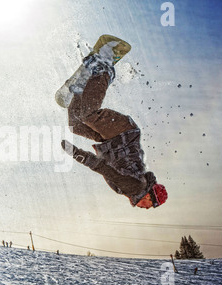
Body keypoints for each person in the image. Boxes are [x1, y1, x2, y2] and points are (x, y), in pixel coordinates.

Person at [61, 46, 167, 209]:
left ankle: (79, 90)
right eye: (150, 205)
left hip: (111, 140)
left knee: (76, 126)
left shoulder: (134, 187)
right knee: (88, 115)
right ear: (148, 196)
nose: (146, 208)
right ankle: (104, 70)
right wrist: (77, 154)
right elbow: (103, 168)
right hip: (124, 133)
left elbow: (109, 166)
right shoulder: (135, 187)